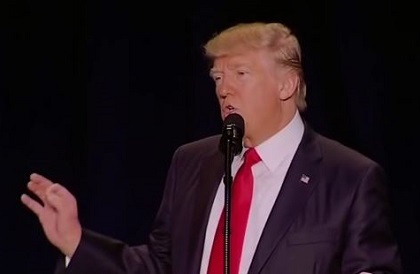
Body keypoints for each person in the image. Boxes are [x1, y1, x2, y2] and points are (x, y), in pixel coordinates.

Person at [21, 22, 402, 274]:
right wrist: (76, 241)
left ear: (286, 85)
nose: (224, 89)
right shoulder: (193, 163)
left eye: (240, 74)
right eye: (218, 77)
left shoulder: (349, 177)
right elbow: (159, 266)